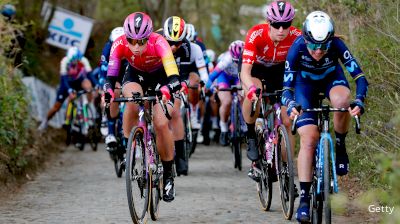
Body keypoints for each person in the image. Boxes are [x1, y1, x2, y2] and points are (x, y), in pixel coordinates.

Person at [281, 11, 368, 222]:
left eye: (324, 46)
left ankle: (339, 144)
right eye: (313, 45)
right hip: (304, 87)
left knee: (341, 102)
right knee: (309, 139)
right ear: (305, 39)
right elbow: (286, 90)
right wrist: (291, 104)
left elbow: (360, 78)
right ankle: (303, 199)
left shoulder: (337, 45)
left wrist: (359, 101)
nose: (318, 51)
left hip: (332, 80)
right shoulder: (296, 49)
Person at [103, 12, 181, 202]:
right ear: (125, 37)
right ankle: (130, 146)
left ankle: (169, 174)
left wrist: (167, 89)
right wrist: (109, 92)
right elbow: (111, 78)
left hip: (161, 77)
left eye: (141, 41)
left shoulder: (160, 43)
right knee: (131, 101)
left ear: (149, 36)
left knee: (161, 124)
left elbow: (174, 78)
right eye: (131, 40)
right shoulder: (119, 44)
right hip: (135, 75)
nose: (136, 47)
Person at [239, 1, 300, 180]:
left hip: (280, 72)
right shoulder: (255, 34)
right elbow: (245, 72)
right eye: (276, 24)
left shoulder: (297, 36)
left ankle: (287, 170)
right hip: (256, 69)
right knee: (254, 93)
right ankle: (250, 134)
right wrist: (249, 88)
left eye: (286, 25)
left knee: (287, 120)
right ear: (268, 22)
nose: (281, 30)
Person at [160, 16, 208, 175]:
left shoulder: (193, 48)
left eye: (177, 43)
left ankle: (181, 157)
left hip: (181, 78)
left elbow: (201, 74)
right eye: (169, 42)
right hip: (160, 78)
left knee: (174, 112)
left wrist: (202, 85)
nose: (173, 47)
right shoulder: (155, 42)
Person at [38, 46, 93, 131]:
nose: (75, 62)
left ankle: (83, 112)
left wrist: (96, 85)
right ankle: (45, 121)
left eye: (77, 60)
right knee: (56, 107)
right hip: (66, 83)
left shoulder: (83, 60)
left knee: (89, 87)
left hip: (78, 81)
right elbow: (64, 79)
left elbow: (90, 75)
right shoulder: (64, 61)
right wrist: (69, 90)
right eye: (73, 61)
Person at [205, 40, 244, 146]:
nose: (236, 63)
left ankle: (244, 125)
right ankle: (223, 129)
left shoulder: (247, 58)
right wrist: (208, 87)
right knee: (226, 102)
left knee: (243, 97)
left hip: (238, 77)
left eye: (238, 61)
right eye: (235, 60)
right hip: (224, 77)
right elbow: (213, 75)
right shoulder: (226, 59)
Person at [98, 27, 126, 149]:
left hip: (124, 73)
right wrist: (104, 88)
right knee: (111, 92)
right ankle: (109, 129)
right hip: (110, 72)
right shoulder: (107, 49)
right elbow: (104, 73)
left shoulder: (130, 46)